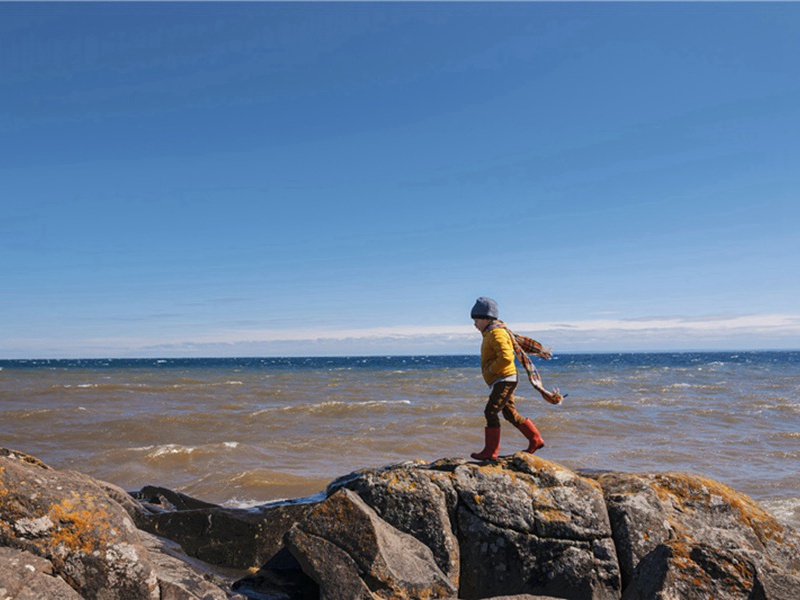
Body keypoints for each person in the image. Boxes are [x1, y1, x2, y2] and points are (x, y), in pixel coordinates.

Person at [470, 296, 563, 460]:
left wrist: (491, 369)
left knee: (491, 412)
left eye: (476, 320)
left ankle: (490, 452)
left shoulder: (496, 334)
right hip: (503, 379)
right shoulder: (492, 333)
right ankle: (535, 439)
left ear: (486, 318)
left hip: (504, 379)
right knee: (509, 413)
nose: (474, 324)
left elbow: (506, 357)